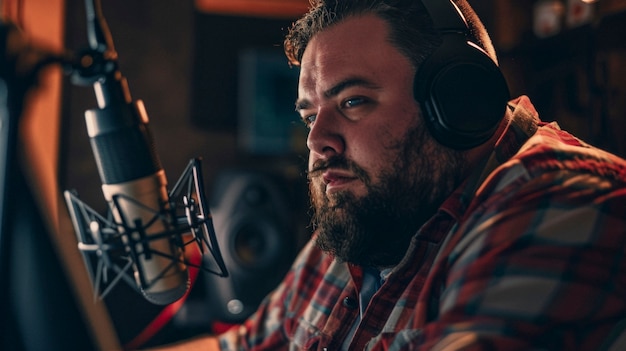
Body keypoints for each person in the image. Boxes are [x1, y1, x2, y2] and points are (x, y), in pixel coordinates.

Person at [149, 0, 626, 349]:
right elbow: (247, 345)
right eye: (310, 116)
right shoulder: (372, 207)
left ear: (458, 100)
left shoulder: (566, 198)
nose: (317, 142)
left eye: (353, 101)